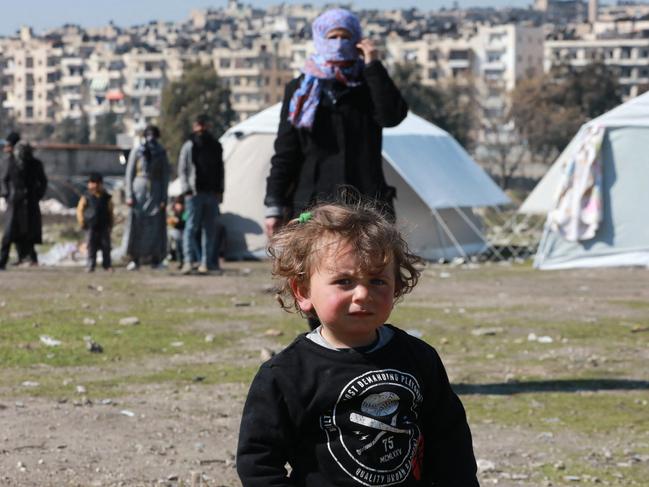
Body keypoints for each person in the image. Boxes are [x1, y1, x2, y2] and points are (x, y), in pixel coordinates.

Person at [236, 202, 479, 486]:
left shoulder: (418, 358)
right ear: (303, 291)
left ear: (396, 287)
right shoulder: (286, 373)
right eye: (344, 281)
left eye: (377, 281)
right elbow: (259, 462)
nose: (363, 294)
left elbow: (449, 439)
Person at [264, 8, 408, 239]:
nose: (339, 43)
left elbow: (392, 116)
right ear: (320, 39)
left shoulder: (367, 84)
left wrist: (373, 65)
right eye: (333, 37)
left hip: (366, 202)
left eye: (346, 37)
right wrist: (274, 204)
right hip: (314, 203)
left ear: (357, 41)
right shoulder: (301, 90)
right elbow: (286, 152)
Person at [178, 114, 224, 275]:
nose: (201, 129)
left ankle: (206, 262)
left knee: (209, 229)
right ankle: (188, 261)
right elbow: (182, 169)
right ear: (194, 127)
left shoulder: (216, 146)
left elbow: (220, 170)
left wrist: (220, 191)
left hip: (211, 193)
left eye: (203, 125)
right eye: (198, 125)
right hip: (194, 193)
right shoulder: (189, 146)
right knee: (191, 228)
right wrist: (186, 190)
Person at [124, 125, 170, 270]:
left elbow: (165, 176)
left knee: (156, 226)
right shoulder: (137, 152)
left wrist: (164, 198)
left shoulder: (161, 153)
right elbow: (129, 174)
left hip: (155, 191)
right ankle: (135, 258)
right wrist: (129, 195)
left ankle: (156, 259)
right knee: (136, 225)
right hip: (139, 190)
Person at [0, 133, 48, 270]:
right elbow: (3, 180)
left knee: (28, 232)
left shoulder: (34, 164)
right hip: (14, 202)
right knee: (9, 234)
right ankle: (2, 261)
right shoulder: (9, 162)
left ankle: (30, 259)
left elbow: (43, 182)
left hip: (30, 203)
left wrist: (37, 195)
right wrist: (7, 194)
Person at [76, 172, 114, 273]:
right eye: (93, 183)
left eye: (98, 183)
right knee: (91, 247)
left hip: (104, 226)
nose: (95, 186)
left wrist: (111, 224)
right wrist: (82, 222)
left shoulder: (106, 197)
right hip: (91, 226)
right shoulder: (86, 197)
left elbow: (110, 211)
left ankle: (107, 265)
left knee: (106, 247)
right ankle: (90, 265)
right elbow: (80, 210)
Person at [167, 195, 186, 268]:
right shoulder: (172, 211)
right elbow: (169, 221)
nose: (179, 206)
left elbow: (185, 220)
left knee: (182, 247)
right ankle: (179, 261)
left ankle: (184, 261)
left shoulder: (185, 212)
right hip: (175, 231)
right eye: (178, 204)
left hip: (183, 231)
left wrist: (179, 220)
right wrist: (173, 220)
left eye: (181, 204)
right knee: (177, 246)